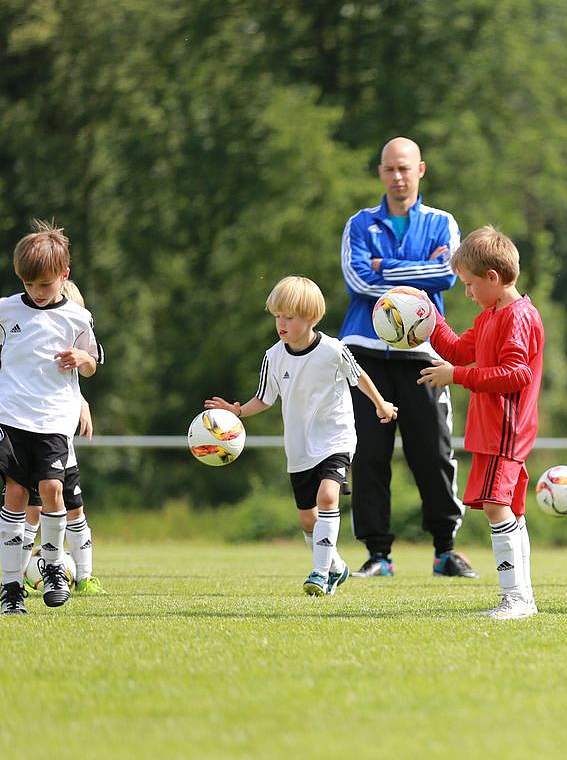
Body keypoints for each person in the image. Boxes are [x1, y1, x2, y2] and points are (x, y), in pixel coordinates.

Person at [205, 276, 397, 596]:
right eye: (277, 316)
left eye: (289, 317)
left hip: (336, 438)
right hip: (299, 447)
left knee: (327, 498)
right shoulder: (273, 356)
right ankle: (335, 566)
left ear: (311, 317)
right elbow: (264, 399)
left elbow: (358, 376)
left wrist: (381, 404)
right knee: (307, 520)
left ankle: (320, 574)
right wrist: (237, 412)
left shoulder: (333, 350)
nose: (281, 323)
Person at [339, 136, 475, 579]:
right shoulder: (359, 224)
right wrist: (412, 275)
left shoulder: (442, 223)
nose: (397, 177)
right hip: (365, 354)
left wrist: (385, 269)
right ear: (380, 172)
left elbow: (448, 274)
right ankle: (378, 555)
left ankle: (444, 551)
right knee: (369, 456)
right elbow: (358, 279)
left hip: (423, 354)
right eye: (389, 169)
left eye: (405, 168)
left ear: (421, 170)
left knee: (432, 452)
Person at [416, 226, 545, 620]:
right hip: (493, 428)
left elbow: (516, 373)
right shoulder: (491, 314)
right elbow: (457, 348)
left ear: (493, 277)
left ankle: (516, 600)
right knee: (510, 510)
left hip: (507, 427)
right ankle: (523, 597)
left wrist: (457, 375)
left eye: (470, 285)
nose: (467, 293)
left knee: (495, 506)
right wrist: (426, 312)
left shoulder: (517, 317)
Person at [0, 220, 101, 614]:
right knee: (15, 494)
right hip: (10, 417)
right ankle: (10, 588)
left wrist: (83, 360)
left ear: (64, 275)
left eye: (44, 285)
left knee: (52, 492)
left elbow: (93, 363)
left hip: (54, 420)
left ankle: (55, 565)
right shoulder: (6, 311)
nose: (37, 294)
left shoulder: (77, 318)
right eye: (29, 286)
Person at [21, 280, 105, 596]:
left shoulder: (78, 333)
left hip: (59, 446)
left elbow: (82, 373)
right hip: (31, 436)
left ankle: (84, 576)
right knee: (30, 509)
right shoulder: (29, 335)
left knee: (74, 509)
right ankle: (21, 572)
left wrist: (82, 401)